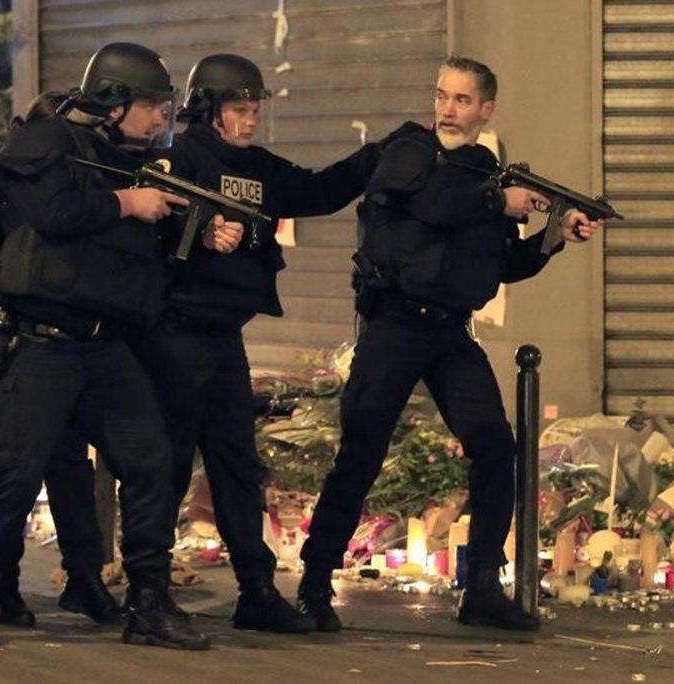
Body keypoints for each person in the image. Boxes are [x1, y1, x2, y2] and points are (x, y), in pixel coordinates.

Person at [296, 55, 603, 632]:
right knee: (359, 452)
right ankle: (314, 584)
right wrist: (497, 202)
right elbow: (429, 204)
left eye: (462, 100)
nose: (448, 109)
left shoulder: (485, 171)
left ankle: (483, 585)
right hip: (392, 326)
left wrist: (552, 237)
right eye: (442, 95)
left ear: (486, 109)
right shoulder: (408, 151)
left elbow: (501, 264)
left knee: (494, 447)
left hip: (448, 331)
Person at [0, 42, 219, 650]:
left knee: (150, 460)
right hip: (39, 346)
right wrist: (128, 202)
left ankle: (148, 603)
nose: (158, 120)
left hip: (102, 348)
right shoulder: (48, 142)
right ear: (115, 100)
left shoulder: (120, 161)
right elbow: (52, 211)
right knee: (12, 478)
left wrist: (199, 230)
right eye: (150, 106)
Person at [130, 53, 378, 633]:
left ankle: (256, 590)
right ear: (210, 110)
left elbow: (316, 192)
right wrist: (195, 230)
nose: (250, 121)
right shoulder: (176, 160)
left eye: (255, 109)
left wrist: (373, 159)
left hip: (223, 338)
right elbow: (145, 226)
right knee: (165, 468)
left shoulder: (259, 168)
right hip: (175, 336)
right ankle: (146, 591)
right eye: (240, 110)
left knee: (236, 464)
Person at [0, 90, 122, 630]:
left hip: (65, 346)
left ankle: (84, 579)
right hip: (21, 345)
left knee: (69, 471)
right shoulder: (22, 178)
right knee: (14, 476)